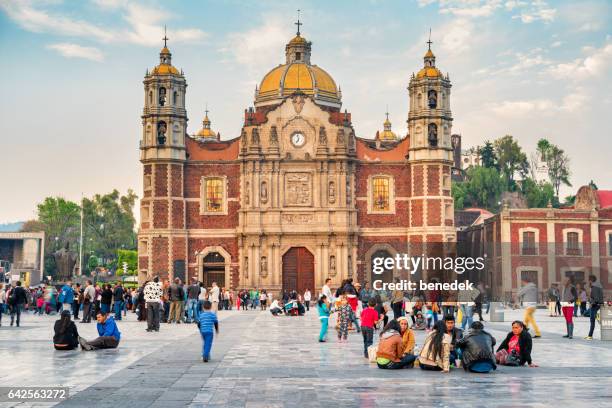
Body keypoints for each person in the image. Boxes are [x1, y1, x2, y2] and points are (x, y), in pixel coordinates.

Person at [586, 275, 604, 340]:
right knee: (592, 320)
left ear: (591, 280)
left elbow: (596, 298)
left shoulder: (595, 286)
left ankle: (590, 336)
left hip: (595, 305)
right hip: (596, 304)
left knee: (592, 320)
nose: (588, 281)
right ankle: (590, 335)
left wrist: (592, 303)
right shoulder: (596, 285)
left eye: (589, 280)